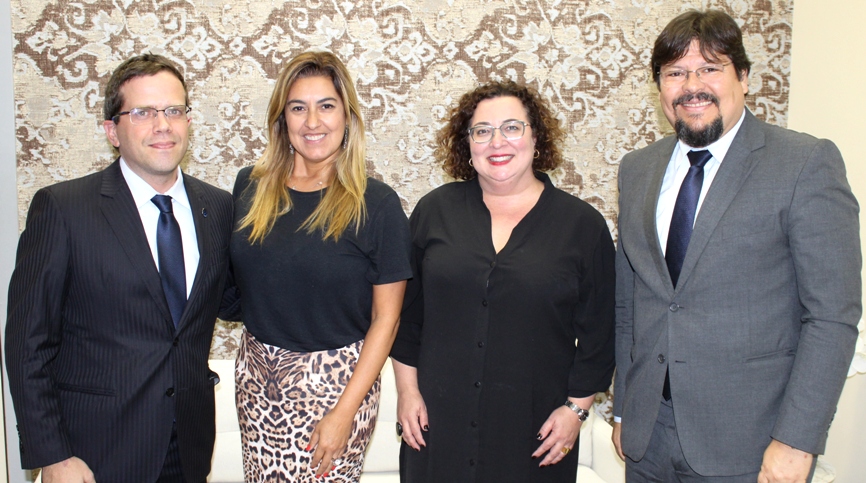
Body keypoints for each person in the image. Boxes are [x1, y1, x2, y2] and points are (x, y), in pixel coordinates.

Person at [612, 9, 861, 482]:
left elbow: (831, 316)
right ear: (659, 87)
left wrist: (796, 441)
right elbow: (631, 303)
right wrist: (624, 408)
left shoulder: (805, 163)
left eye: (710, 68)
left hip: (752, 442)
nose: (692, 86)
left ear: (743, 77)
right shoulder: (637, 169)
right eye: (675, 73)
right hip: (649, 439)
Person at [5, 53, 233, 483]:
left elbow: (236, 297)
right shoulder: (64, 209)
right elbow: (27, 343)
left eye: (174, 110)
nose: (162, 125)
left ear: (188, 122)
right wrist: (53, 456)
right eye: (143, 112)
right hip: (93, 456)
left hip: (187, 450)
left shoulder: (218, 207)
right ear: (112, 131)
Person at [390, 80, 616, 482]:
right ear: (467, 144)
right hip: (437, 426)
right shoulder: (433, 211)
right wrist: (407, 393)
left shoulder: (582, 225)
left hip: (535, 434)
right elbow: (406, 318)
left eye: (512, 127)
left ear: (536, 137)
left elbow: (601, 333)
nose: (497, 142)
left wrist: (576, 410)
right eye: (482, 131)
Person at [223, 51, 411, 482]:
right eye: (298, 108)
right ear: (281, 119)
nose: (312, 122)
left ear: (347, 116)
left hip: (337, 387)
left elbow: (387, 319)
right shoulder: (250, 187)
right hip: (258, 379)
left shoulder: (376, 204)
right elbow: (235, 284)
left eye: (326, 106)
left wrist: (344, 413)